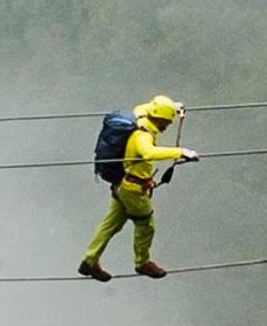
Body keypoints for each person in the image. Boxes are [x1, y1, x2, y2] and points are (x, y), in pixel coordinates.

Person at [79, 93, 187, 280]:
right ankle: (142, 262)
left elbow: (143, 107)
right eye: (167, 122)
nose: (167, 126)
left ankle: (89, 260)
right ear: (160, 119)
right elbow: (148, 153)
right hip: (133, 189)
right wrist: (181, 152)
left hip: (120, 184)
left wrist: (173, 108)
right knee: (146, 224)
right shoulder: (143, 135)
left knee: (110, 224)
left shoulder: (141, 116)